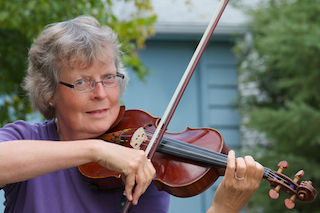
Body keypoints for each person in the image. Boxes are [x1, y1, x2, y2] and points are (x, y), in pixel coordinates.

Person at [0, 16, 264, 213]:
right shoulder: (26, 138)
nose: (101, 93)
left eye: (108, 78)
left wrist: (222, 210)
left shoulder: (142, 166)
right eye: (82, 82)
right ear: (49, 92)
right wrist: (94, 150)